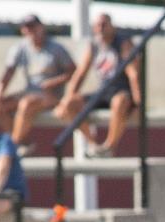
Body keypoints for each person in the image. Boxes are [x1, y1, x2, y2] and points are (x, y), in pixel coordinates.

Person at [56, 14, 141, 158]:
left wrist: (139, 103)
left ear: (112, 26)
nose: (101, 28)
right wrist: (66, 99)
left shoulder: (123, 43)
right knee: (71, 104)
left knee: (119, 101)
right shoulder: (94, 45)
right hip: (102, 92)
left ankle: (110, 146)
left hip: (122, 91)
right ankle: (93, 144)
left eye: (104, 24)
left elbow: (133, 74)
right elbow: (80, 74)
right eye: (98, 25)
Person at [0, 15, 76, 152]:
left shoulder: (56, 48)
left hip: (52, 95)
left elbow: (73, 72)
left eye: (33, 26)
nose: (30, 31)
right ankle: (20, 141)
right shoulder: (20, 48)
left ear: (41, 27)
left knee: (26, 104)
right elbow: (7, 75)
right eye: (26, 27)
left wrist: (54, 82)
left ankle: (12, 147)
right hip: (30, 92)